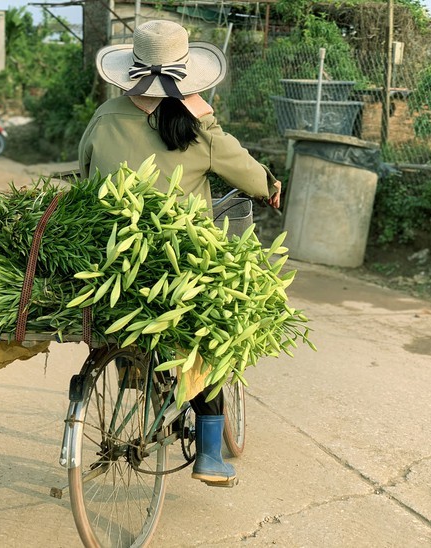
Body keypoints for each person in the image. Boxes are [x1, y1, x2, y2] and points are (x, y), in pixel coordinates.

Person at [78, 19, 281, 486]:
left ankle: (139, 378)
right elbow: (252, 176)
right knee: (210, 338)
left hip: (107, 262)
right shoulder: (197, 128)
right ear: (188, 77)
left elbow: (84, 170)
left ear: (131, 70)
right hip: (176, 266)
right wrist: (269, 186)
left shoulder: (105, 118)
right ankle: (210, 455)